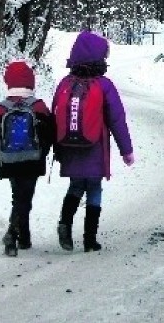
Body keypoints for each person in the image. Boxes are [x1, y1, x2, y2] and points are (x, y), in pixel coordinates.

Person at [53, 30, 134, 252]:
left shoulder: (65, 83)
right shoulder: (104, 85)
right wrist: (126, 151)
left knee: (75, 185)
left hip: (69, 146)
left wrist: (57, 148)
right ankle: (90, 239)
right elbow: (117, 120)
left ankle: (65, 224)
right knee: (94, 189)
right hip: (95, 146)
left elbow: (55, 115)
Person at [0, 60, 55, 256]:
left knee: (19, 196)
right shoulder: (39, 108)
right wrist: (41, 153)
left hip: (9, 162)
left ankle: (23, 237)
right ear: (31, 82)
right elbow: (50, 135)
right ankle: (13, 234)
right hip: (32, 160)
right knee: (25, 197)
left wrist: (0, 156)